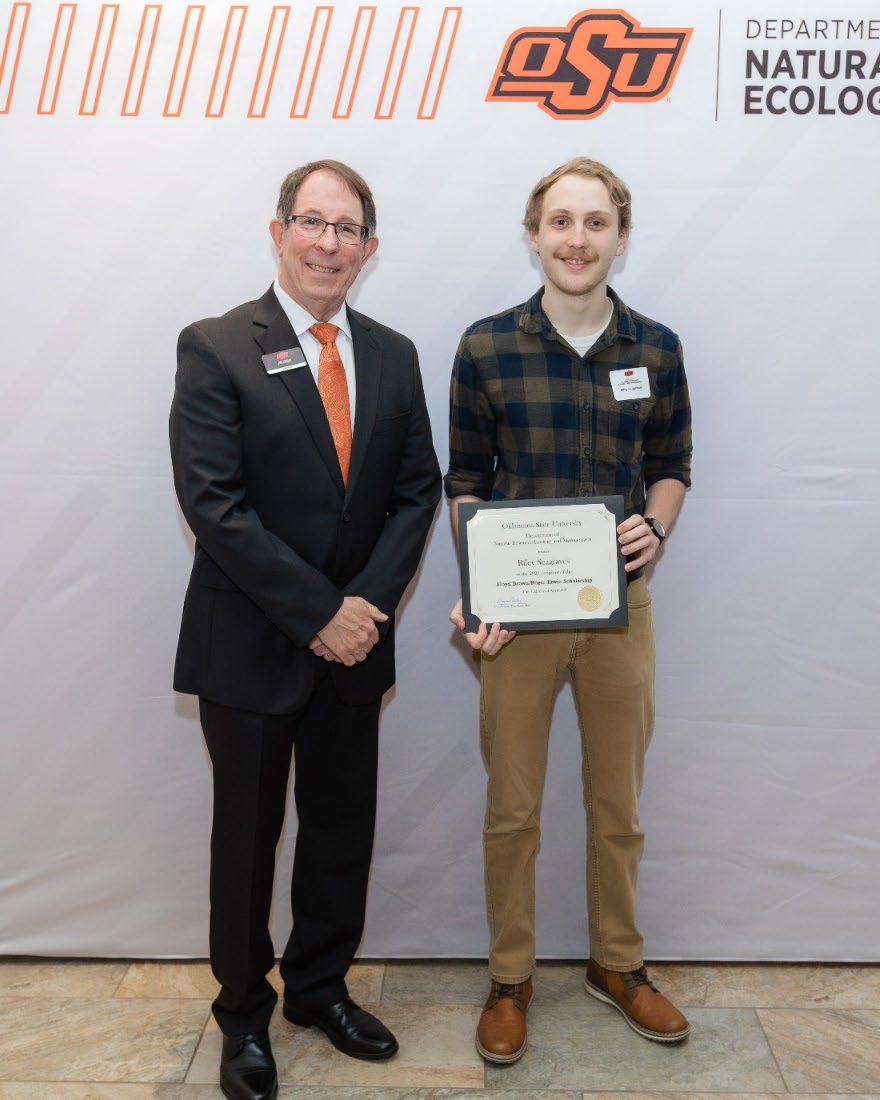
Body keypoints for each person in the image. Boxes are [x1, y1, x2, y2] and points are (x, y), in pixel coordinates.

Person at [170, 159, 441, 1100]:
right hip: (252, 644)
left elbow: (416, 492)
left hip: (356, 647)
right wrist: (320, 612)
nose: (329, 243)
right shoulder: (216, 346)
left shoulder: (395, 354)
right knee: (247, 844)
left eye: (348, 228)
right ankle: (243, 1015)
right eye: (313, 222)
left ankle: (319, 988)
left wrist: (360, 611)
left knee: (338, 832)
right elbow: (215, 504)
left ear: (370, 246)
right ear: (279, 230)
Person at [446, 157, 693, 1063]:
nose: (577, 239)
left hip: (620, 610)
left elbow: (671, 466)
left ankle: (616, 965)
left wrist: (655, 530)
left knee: (617, 805)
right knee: (512, 809)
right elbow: (465, 482)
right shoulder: (485, 346)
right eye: (560, 222)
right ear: (534, 234)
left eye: (595, 223)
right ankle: (510, 978)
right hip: (516, 621)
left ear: (620, 238)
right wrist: (480, 588)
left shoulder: (655, 348)